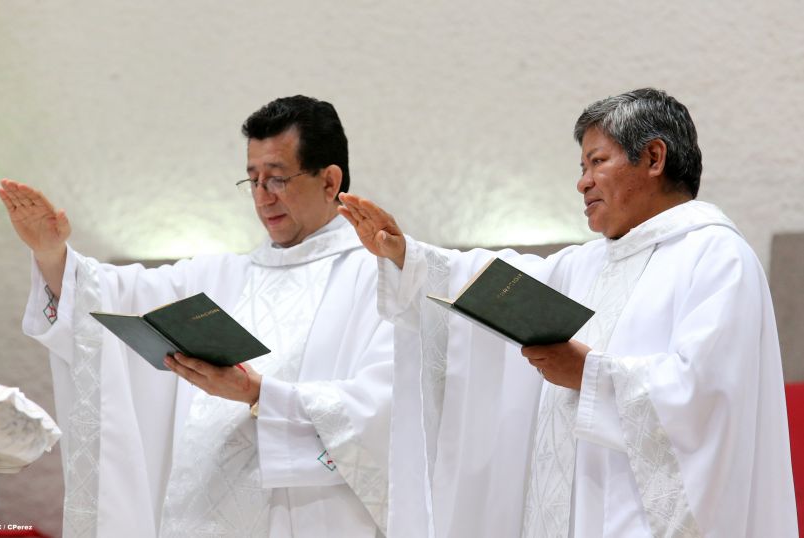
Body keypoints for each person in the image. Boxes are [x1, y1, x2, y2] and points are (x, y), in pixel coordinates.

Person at [338, 88, 798, 537]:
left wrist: (588, 375)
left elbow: (707, 398)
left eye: (598, 162)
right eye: (582, 167)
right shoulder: (586, 264)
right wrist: (410, 261)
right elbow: (495, 281)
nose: (582, 182)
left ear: (654, 158)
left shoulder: (716, 255)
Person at [0, 95, 393, 538]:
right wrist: (52, 253)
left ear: (329, 181)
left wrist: (259, 393)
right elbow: (110, 299)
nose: (262, 197)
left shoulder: (379, 282)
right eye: (252, 180)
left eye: (277, 179)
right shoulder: (224, 277)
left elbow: (386, 412)